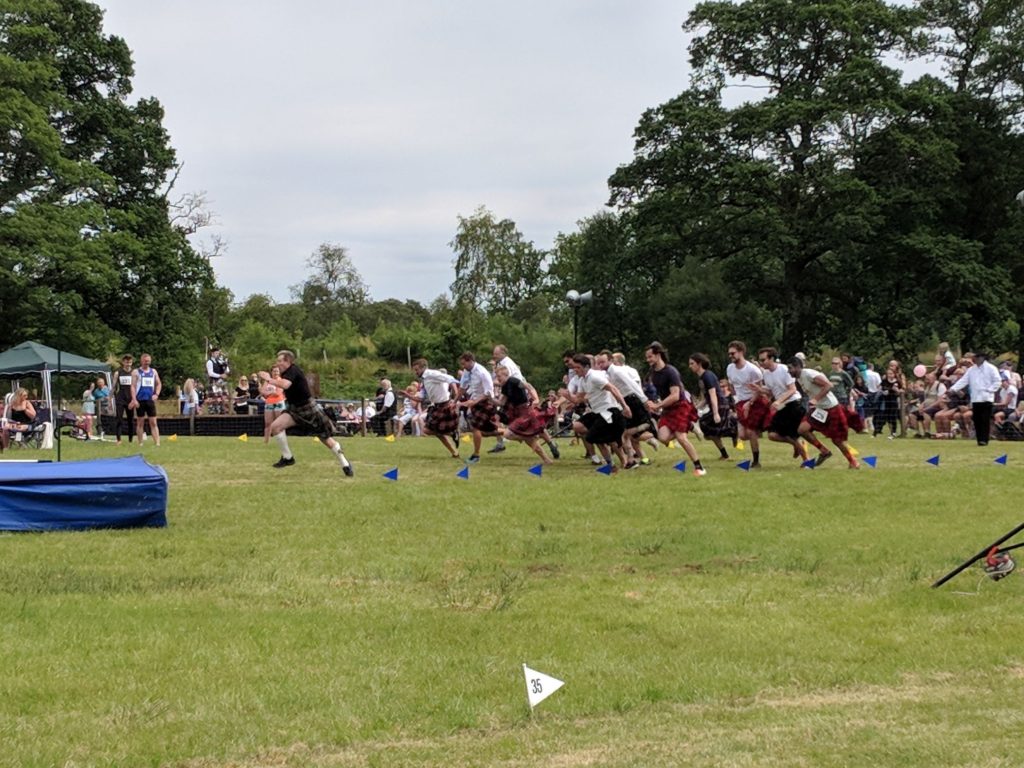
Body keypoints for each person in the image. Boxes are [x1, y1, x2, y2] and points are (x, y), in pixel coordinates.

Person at [259, 350, 353, 474]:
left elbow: (285, 385)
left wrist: (268, 379)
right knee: (276, 427)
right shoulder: (286, 372)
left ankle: (345, 463)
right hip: (294, 409)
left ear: (287, 361)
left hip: (308, 408)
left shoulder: (293, 370)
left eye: (279, 361)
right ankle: (288, 458)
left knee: (325, 438)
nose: (277, 364)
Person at [644, 341, 706, 476]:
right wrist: (654, 404)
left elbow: (675, 396)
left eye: (650, 356)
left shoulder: (670, 371)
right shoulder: (653, 372)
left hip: (680, 405)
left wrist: (658, 405)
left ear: (658, 355)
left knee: (680, 437)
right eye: (647, 357)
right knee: (663, 437)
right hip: (668, 408)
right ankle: (688, 425)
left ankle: (699, 467)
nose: (647, 359)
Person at [787, 356, 859, 469]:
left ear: (797, 367)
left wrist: (816, 399)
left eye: (790, 368)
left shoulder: (809, 374)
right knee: (802, 430)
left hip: (831, 407)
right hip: (819, 409)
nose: (788, 371)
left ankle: (853, 462)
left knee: (837, 440)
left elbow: (828, 385)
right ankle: (824, 451)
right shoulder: (799, 377)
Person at [569, 354, 632, 470]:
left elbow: (613, 389)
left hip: (609, 411)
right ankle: (615, 462)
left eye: (577, 367)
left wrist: (625, 406)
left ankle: (617, 463)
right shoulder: (582, 381)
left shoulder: (594, 377)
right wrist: (566, 397)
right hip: (596, 412)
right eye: (574, 367)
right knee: (578, 427)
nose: (575, 370)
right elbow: (578, 399)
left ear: (586, 367)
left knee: (597, 437)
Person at [494, 365, 556, 465]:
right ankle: (546, 459)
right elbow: (501, 403)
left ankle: (543, 447)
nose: (497, 379)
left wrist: (536, 398)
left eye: (499, 376)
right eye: (496, 377)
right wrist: (489, 398)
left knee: (508, 434)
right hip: (516, 413)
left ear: (506, 375)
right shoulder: (505, 387)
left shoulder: (513, 381)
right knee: (528, 439)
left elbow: (529, 386)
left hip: (525, 412)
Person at [756, 347, 808, 462]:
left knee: (790, 434)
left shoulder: (784, 369)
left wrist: (778, 401)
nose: (761, 363)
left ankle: (807, 460)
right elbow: (771, 391)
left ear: (772, 359)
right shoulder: (766, 374)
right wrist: (759, 390)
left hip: (794, 404)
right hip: (782, 407)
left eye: (763, 360)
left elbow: (792, 389)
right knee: (772, 435)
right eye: (760, 360)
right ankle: (797, 445)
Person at [727, 341, 769, 469]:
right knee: (742, 435)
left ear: (741, 352)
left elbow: (759, 389)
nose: (731, 356)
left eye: (733, 353)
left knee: (750, 432)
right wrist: (735, 400)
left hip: (754, 401)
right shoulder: (729, 368)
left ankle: (756, 461)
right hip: (740, 402)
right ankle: (758, 431)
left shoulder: (753, 370)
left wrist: (750, 403)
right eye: (729, 354)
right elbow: (732, 385)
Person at [947, 351, 1002, 446]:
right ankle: (979, 439)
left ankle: (984, 439)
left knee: (984, 419)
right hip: (976, 398)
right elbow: (964, 381)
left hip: (986, 398)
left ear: (982, 358)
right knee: (977, 419)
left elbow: (997, 381)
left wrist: (989, 390)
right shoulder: (971, 370)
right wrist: (953, 389)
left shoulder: (991, 368)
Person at [410, 358, 461, 458]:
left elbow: (450, 378)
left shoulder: (432, 374)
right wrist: (407, 395)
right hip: (436, 406)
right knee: (428, 431)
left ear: (423, 367)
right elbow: (420, 398)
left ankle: (453, 435)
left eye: (417, 370)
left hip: (445, 405)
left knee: (429, 430)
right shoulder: (424, 379)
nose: (416, 372)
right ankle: (454, 450)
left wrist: (455, 395)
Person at [688, 352, 735, 461]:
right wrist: (696, 407)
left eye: (692, 363)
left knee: (706, 425)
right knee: (710, 433)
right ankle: (725, 455)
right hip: (715, 404)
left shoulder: (707, 376)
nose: (690, 366)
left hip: (720, 405)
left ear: (699, 364)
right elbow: (706, 397)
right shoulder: (702, 378)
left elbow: (713, 395)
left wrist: (715, 413)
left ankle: (733, 430)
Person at [458, 352, 502, 464]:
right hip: (475, 402)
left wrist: (473, 402)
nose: (463, 367)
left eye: (464, 364)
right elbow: (462, 387)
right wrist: (454, 401)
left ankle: (476, 455)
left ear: (470, 361)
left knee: (475, 427)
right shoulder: (467, 372)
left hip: (486, 402)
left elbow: (488, 392)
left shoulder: (482, 372)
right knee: (488, 431)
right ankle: (512, 432)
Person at [130, 353, 162, 447]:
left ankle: (157, 443)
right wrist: (134, 399)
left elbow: (159, 383)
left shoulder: (154, 372)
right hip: (140, 400)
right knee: (140, 422)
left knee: (153, 422)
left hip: (150, 400)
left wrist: (156, 394)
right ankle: (140, 443)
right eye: (145, 361)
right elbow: (133, 386)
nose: (147, 363)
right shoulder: (136, 372)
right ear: (141, 361)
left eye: (148, 361)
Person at [874, 360, 905, 439]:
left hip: (896, 399)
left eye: (893, 365)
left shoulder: (900, 377)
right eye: (890, 365)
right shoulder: (885, 377)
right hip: (886, 399)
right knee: (887, 415)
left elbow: (903, 388)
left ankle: (900, 431)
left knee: (896, 416)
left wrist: (897, 390)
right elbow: (880, 386)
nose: (891, 367)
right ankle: (891, 432)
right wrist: (883, 391)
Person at [113, 354, 135, 444]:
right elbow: (114, 386)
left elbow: (136, 386)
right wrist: (110, 397)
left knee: (131, 420)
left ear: (132, 362)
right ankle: (119, 439)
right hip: (120, 398)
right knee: (119, 419)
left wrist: (135, 399)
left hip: (130, 399)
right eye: (126, 362)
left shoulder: (134, 373)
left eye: (129, 362)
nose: (128, 364)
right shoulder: (118, 373)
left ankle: (130, 440)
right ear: (123, 362)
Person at [261, 365, 286, 444]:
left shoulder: (280, 381)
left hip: (278, 403)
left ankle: (282, 441)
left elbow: (278, 393)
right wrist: (271, 392)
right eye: (274, 371)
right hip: (269, 403)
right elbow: (262, 392)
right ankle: (266, 441)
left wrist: (268, 393)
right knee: (268, 423)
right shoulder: (267, 381)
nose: (275, 373)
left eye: (277, 371)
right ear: (271, 372)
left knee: (279, 423)